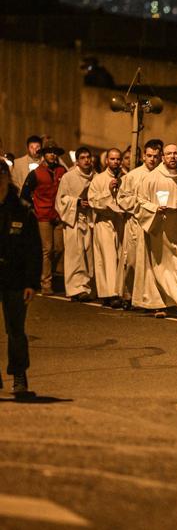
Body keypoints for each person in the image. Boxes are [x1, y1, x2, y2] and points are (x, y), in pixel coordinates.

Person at [136, 144, 177, 318]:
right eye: (169, 154)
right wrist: (155, 209)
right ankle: (168, 303)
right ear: (163, 157)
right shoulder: (152, 178)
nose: (173, 157)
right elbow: (140, 201)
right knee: (161, 267)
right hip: (159, 228)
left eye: (176, 153)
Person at [0, 159, 42, 394]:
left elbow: (33, 250)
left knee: (15, 330)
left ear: (7, 177)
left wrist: (31, 283)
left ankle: (19, 375)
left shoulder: (23, 209)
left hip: (15, 279)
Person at [116, 139, 163, 311]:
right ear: (144, 156)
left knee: (154, 263)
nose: (152, 159)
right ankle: (128, 294)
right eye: (149, 156)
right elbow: (122, 198)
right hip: (136, 222)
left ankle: (151, 298)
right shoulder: (132, 176)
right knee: (132, 260)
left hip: (155, 224)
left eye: (156, 156)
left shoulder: (162, 176)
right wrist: (139, 205)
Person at [20, 139, 67, 295]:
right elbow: (25, 194)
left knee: (59, 248)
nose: (52, 155)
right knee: (47, 249)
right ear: (44, 155)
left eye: (54, 152)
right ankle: (45, 283)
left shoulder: (62, 171)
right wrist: (33, 210)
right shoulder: (35, 173)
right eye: (49, 152)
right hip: (42, 216)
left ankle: (49, 275)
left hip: (58, 214)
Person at [55, 146, 96, 301]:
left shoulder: (96, 176)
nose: (86, 160)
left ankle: (85, 286)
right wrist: (77, 202)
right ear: (77, 161)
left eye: (88, 157)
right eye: (83, 158)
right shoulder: (68, 177)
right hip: (73, 220)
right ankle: (75, 289)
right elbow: (60, 199)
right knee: (75, 256)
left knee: (87, 255)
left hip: (89, 219)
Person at [88, 148, 126, 307]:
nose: (116, 162)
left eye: (118, 159)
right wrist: (109, 192)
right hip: (104, 222)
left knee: (120, 257)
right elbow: (93, 201)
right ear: (106, 161)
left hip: (119, 221)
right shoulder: (98, 179)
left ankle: (119, 291)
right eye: (112, 159)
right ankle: (109, 293)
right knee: (107, 258)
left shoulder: (125, 177)